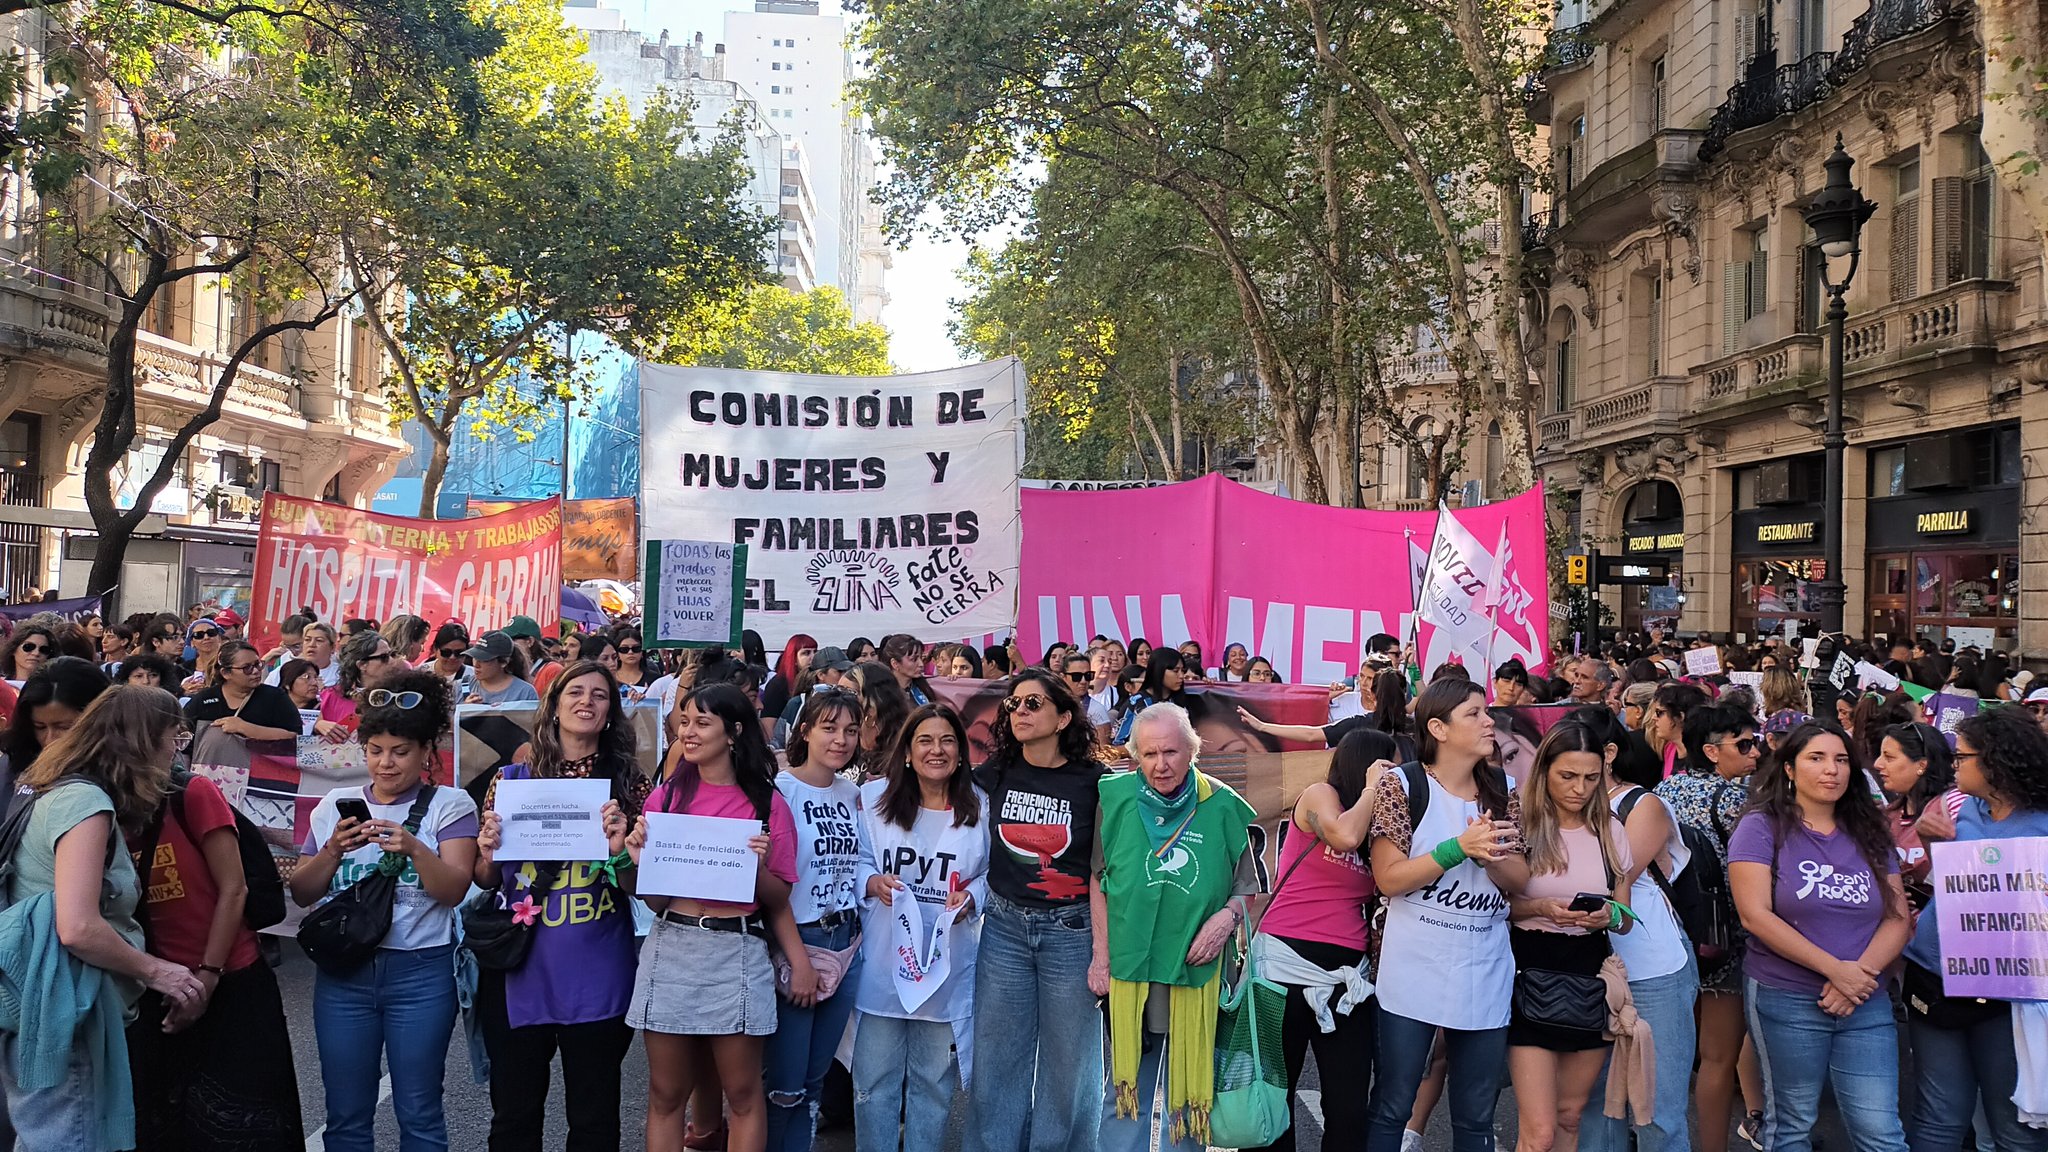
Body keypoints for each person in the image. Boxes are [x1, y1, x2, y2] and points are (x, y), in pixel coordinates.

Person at [2, 685, 206, 1152]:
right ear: (143, 741)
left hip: (49, 998)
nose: (176, 754)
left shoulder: (57, 790)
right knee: (68, 1139)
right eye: (174, 739)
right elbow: (77, 926)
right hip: (68, 1004)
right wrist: (161, 972)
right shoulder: (84, 804)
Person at [290, 671, 479, 1152]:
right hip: (344, 973)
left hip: (421, 971)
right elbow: (302, 892)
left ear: (424, 754)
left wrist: (415, 848)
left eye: (400, 751)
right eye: (375, 750)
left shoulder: (449, 805)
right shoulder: (334, 805)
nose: (386, 763)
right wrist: (332, 850)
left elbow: (453, 889)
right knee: (345, 1112)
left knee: (418, 1109)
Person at [471, 660, 645, 1152]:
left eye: (600, 695)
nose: (586, 701)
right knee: (514, 1118)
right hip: (519, 966)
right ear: (554, 704)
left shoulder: (629, 785)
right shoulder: (510, 780)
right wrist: (486, 853)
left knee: (593, 1120)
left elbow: (639, 887)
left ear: (612, 712)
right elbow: (486, 878)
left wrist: (618, 851)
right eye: (575, 691)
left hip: (598, 966)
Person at [623, 683, 798, 1152]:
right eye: (685, 722)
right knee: (665, 1092)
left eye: (702, 722)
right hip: (672, 946)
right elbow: (656, 902)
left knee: (742, 1093)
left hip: (736, 949)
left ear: (734, 731)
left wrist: (756, 870)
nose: (689, 732)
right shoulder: (664, 800)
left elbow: (778, 896)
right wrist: (637, 860)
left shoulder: (767, 805)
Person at [126, 695, 304, 1151]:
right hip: (154, 990)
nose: (178, 751)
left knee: (244, 1123)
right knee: (166, 1120)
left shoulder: (192, 793)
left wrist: (206, 977)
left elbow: (235, 890)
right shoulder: (102, 805)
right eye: (173, 739)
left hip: (230, 980)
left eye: (181, 739)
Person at [1728, 721, 1909, 1152]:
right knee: (1791, 1125)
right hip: (1785, 996)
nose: (1832, 770)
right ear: (1789, 769)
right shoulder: (1761, 826)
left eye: (1842, 760)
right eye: (1817, 758)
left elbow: (1898, 917)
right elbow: (1755, 915)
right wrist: (1835, 971)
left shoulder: (1869, 829)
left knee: (1881, 1131)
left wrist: (1856, 978)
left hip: (1865, 999)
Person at [1366, 678, 1529, 1152]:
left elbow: (1520, 880)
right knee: (1393, 1103)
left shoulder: (1504, 788)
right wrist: (1458, 848)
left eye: (1487, 713)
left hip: (1484, 966)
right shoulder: (1403, 784)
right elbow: (1389, 878)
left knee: (1477, 1115)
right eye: (1474, 714)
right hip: (1413, 966)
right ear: (1437, 727)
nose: (1488, 723)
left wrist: (1490, 856)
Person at [1096, 702, 1257, 1150]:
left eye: (1170, 752)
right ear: (1135, 756)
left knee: (1187, 1094)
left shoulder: (1224, 805)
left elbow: (1249, 891)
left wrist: (1225, 921)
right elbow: (1099, 880)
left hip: (1197, 970)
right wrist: (1100, 956)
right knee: (1125, 1089)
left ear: (1192, 751)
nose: (1160, 765)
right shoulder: (1114, 798)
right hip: (1132, 968)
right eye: (1148, 754)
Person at [967, 670, 1108, 1152]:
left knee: (1070, 1068)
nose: (1019, 712)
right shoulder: (994, 773)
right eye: (1014, 705)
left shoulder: (1096, 783)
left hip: (1071, 932)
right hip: (1003, 928)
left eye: (1032, 704)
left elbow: (1108, 867)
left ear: (1063, 716)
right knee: (996, 1062)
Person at [1901, 707, 2048, 1151]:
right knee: (1937, 1118)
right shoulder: (1957, 808)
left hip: (2012, 994)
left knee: (2015, 1128)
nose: (1953, 764)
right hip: (1936, 977)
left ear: (1996, 761)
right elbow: (1944, 881)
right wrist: (1930, 844)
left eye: (1961, 756)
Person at [851, 702, 989, 1152]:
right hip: (884, 967)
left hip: (945, 972)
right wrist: (871, 882)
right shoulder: (873, 800)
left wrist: (973, 898)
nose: (937, 750)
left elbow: (994, 874)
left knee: (933, 1086)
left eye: (948, 740)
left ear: (961, 751)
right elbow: (852, 861)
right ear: (907, 751)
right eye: (925, 740)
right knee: (873, 1083)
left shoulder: (982, 806)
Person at [1248, 729, 1392, 1152]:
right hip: (1283, 965)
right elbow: (1342, 836)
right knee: (1273, 1099)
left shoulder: (1381, 824)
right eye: (1388, 765)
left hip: (1347, 979)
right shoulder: (1319, 795)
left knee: (1348, 1108)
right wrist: (1370, 789)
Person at [1507, 720, 1635, 1152]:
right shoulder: (1519, 823)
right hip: (1529, 971)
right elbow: (1490, 907)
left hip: (1588, 976)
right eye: (1568, 776)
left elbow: (1626, 915)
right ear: (1543, 771)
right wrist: (1539, 908)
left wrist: (1608, 916)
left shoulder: (1611, 831)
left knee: (1569, 1118)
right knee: (1538, 1132)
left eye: (1591, 777)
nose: (1579, 788)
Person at [1580, 707, 1699, 1152]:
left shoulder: (1641, 804)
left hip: (1653, 967)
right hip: (1586, 967)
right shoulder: (1554, 808)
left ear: (1609, 753)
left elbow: (1617, 878)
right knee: (1595, 1107)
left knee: (1657, 1110)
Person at [1653, 702, 1762, 1152]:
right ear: (1713, 752)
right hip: (1725, 939)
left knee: (1672, 1056)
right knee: (1718, 1058)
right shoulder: (1738, 800)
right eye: (1744, 743)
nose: (1755, 752)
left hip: (1672, 936)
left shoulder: (1662, 791)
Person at [765, 688, 866, 1152]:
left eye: (850, 730)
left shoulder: (853, 794)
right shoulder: (781, 790)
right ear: (805, 730)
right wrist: (796, 957)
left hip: (847, 941)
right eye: (829, 728)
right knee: (785, 1083)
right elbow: (775, 884)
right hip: (799, 942)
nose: (841, 740)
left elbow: (860, 862)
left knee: (815, 1080)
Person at [1873, 721, 1955, 914]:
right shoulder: (1887, 815)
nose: (1877, 764)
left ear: (1921, 765)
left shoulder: (1952, 808)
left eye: (1889, 757)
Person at [183, 640, 303, 743]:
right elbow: (183, 738)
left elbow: (295, 738)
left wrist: (246, 728)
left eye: (258, 664)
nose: (256, 671)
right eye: (247, 668)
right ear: (226, 673)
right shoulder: (203, 700)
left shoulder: (275, 698)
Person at [311, 630, 402, 742]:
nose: (393, 661)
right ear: (362, 665)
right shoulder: (330, 696)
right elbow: (301, 724)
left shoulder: (400, 696)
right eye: (384, 657)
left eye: (392, 654)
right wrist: (317, 725)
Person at [851, 660, 912, 783]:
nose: (840, 698)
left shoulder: (905, 741)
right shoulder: (845, 738)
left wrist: (890, 784)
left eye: (850, 693)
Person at [1114, 649, 1190, 746]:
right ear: (1159, 671)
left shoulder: (1183, 700)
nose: (1181, 676)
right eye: (1176, 671)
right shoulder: (1136, 703)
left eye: (1183, 671)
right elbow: (1118, 743)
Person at [466, 631, 539, 706]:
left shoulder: (525, 692)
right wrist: (464, 710)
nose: (476, 665)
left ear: (504, 662)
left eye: (484, 660)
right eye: (474, 657)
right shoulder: (463, 686)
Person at [760, 633, 818, 719]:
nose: (813, 657)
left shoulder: (817, 680)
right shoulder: (778, 684)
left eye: (815, 652)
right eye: (806, 653)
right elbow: (768, 723)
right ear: (794, 657)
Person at [881, 634, 935, 706]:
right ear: (895, 664)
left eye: (921, 658)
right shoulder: (881, 695)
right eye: (913, 659)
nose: (921, 664)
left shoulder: (924, 687)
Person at [428, 623, 476, 699]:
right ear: (435, 649)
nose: (452, 657)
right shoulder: (421, 673)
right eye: (446, 652)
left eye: (459, 653)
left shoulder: (475, 677)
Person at [614, 626, 654, 697]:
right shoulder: (608, 679)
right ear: (617, 653)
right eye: (624, 649)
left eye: (636, 648)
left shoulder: (655, 680)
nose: (630, 652)